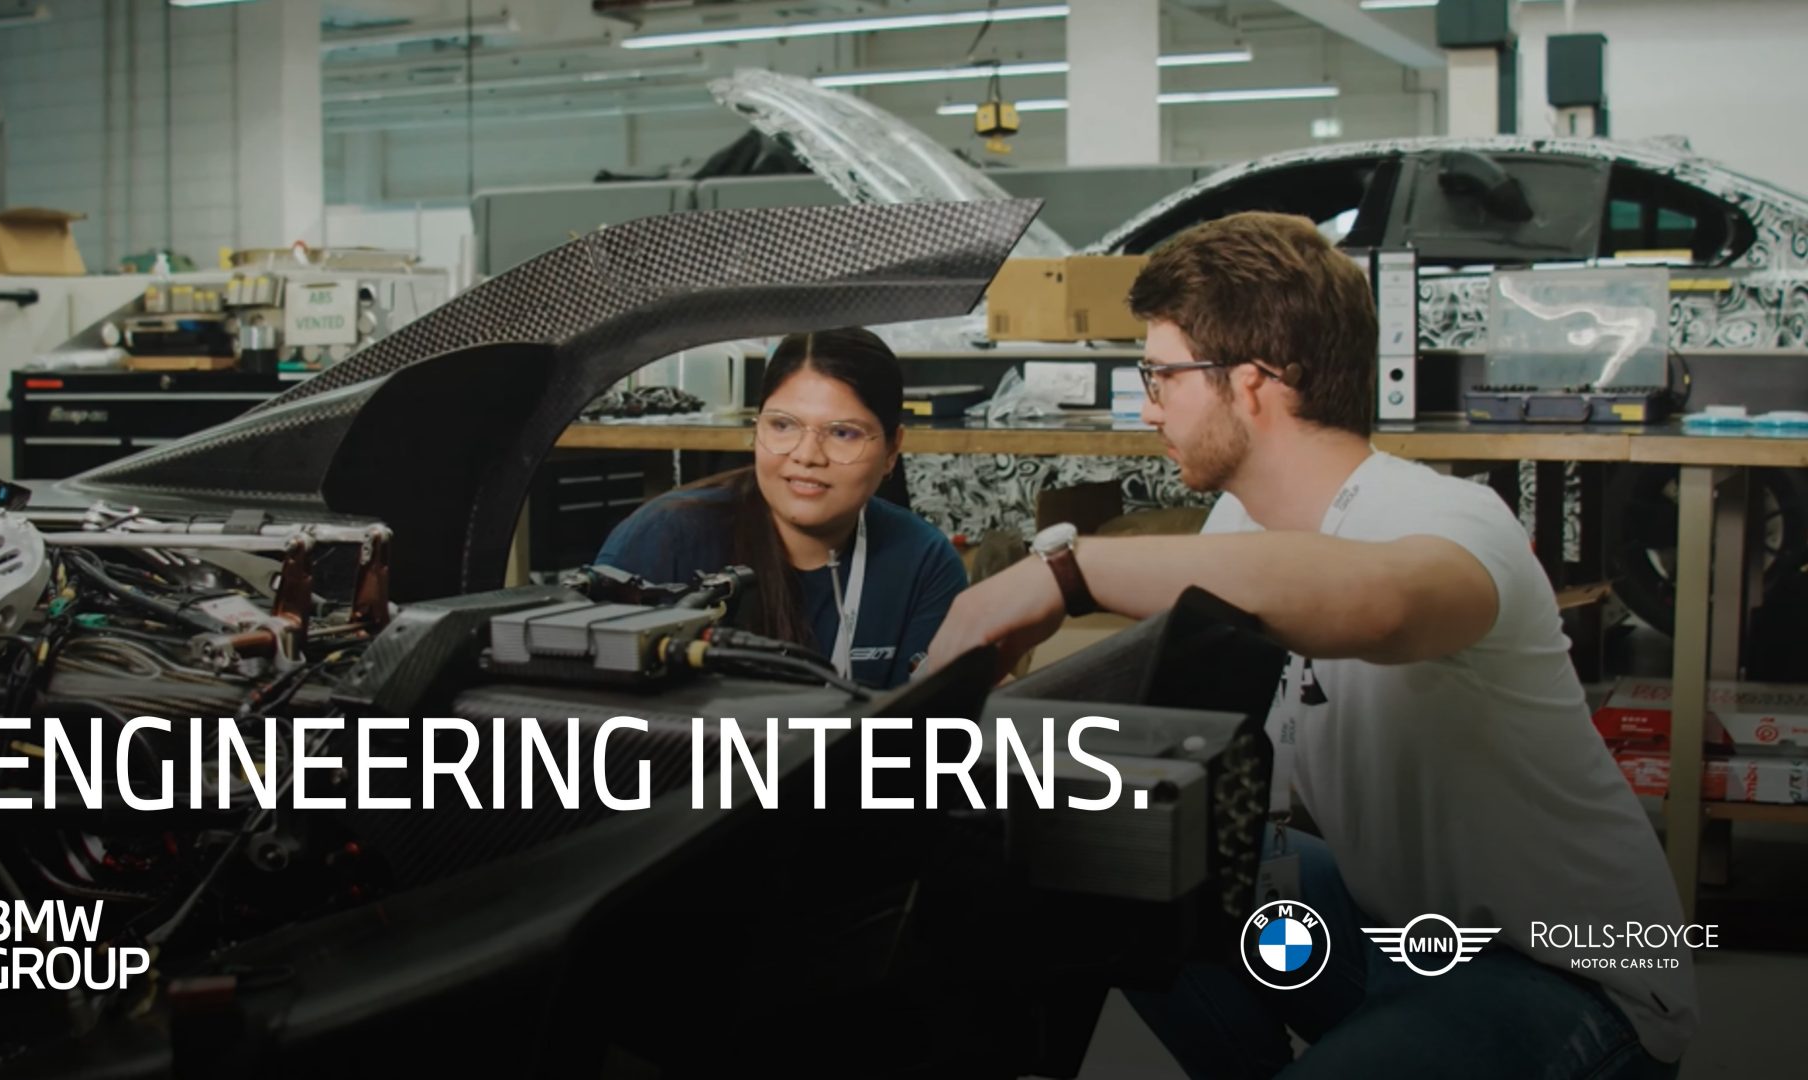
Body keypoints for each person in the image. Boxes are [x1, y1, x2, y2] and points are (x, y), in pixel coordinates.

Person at [920, 212, 1696, 1078]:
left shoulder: (1445, 517)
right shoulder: (1235, 523)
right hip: (1398, 939)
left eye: (1161, 375)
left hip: (1564, 968)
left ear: (1252, 381)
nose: (1146, 408)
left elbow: (1385, 604)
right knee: (1110, 849)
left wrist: (1065, 574)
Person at [595, 327, 967, 690]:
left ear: (891, 450)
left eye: (843, 433)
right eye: (783, 425)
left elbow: (932, 728)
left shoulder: (923, 561)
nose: (806, 456)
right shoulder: (663, 538)